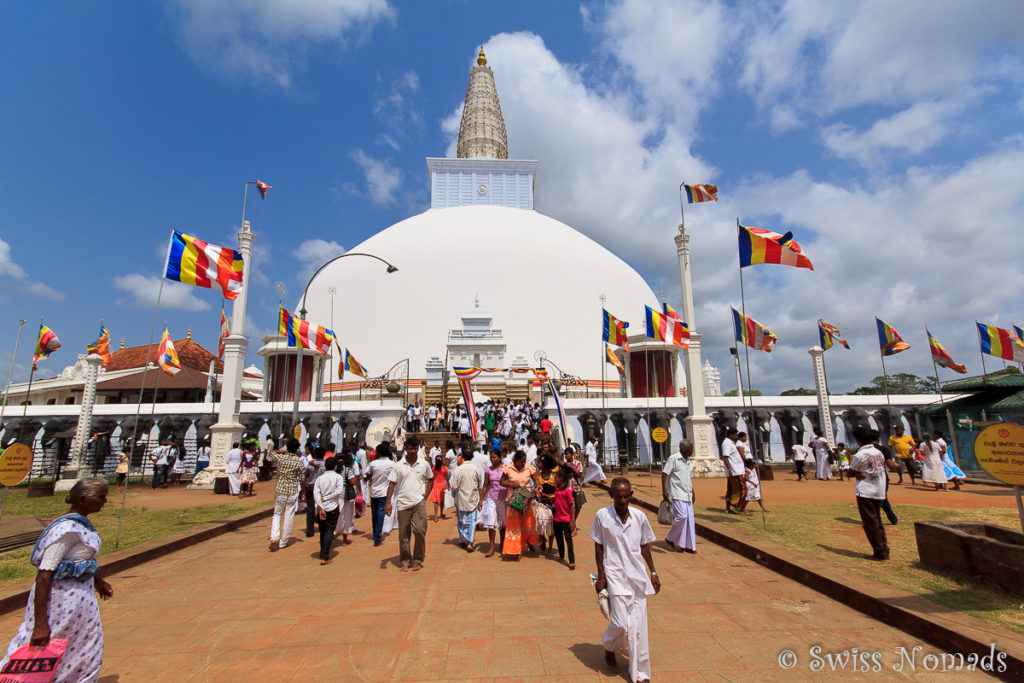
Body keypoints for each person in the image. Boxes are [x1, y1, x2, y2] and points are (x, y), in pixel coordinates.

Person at [1, 477, 113, 682]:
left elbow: (81, 558)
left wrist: (98, 581)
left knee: (79, 648)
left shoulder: (81, 525)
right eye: (101, 497)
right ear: (82, 499)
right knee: (45, 645)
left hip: (80, 607)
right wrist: (40, 625)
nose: (105, 501)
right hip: (59, 605)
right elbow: (44, 576)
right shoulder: (66, 530)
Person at [591, 477, 660, 683]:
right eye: (619, 496)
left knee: (639, 627)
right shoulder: (602, 516)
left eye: (626, 496)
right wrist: (601, 575)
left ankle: (640, 674)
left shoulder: (639, 517)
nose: (623, 500)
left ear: (631, 495)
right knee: (622, 623)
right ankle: (609, 645)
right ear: (611, 494)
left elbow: (645, 545)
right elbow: (598, 546)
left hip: (637, 576)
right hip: (615, 575)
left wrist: (654, 572)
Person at [386, 437, 434, 572]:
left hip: (419, 502)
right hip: (402, 503)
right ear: (406, 449)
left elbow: (431, 479)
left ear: (418, 449)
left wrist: (426, 495)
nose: (413, 451)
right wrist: (388, 502)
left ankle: (418, 559)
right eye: (410, 449)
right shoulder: (399, 465)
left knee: (419, 531)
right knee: (403, 534)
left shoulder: (423, 464)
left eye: (415, 449)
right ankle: (405, 560)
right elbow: (391, 483)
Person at [848, 427, 889, 561]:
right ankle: (884, 549)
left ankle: (879, 552)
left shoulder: (860, 455)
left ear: (858, 440)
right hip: (879, 489)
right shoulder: (878, 452)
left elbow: (851, 472)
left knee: (870, 523)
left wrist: (856, 471)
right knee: (877, 520)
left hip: (866, 491)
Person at [268, 438, 305, 552]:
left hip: (281, 489)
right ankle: (283, 542)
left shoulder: (281, 458)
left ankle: (274, 537)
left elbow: (271, 452)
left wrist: (281, 452)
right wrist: (303, 491)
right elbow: (302, 478)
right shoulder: (299, 461)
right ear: (297, 449)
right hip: (292, 490)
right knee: (289, 515)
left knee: (277, 514)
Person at [500, 450, 538, 560]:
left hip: (526, 500)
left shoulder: (528, 468)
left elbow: (535, 479)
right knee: (514, 526)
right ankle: (517, 550)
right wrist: (511, 484)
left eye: (524, 461)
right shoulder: (508, 469)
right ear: (515, 460)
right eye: (521, 461)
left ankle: (529, 543)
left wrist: (536, 484)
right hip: (513, 501)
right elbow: (501, 482)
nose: (523, 464)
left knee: (528, 523)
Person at [661, 441, 696, 553]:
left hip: (687, 493)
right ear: (684, 449)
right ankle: (670, 539)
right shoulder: (674, 459)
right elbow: (664, 474)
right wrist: (664, 490)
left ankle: (687, 545)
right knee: (681, 517)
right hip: (677, 492)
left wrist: (693, 492)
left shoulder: (688, 461)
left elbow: (688, 478)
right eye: (691, 448)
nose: (692, 450)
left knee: (689, 519)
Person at [450, 450, 485, 552]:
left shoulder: (458, 469)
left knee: (461, 520)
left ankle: (463, 539)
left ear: (463, 457)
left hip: (461, 498)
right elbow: (480, 484)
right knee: (471, 521)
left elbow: (453, 485)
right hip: (473, 498)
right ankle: (469, 542)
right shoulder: (476, 469)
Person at [312, 456, 343, 565]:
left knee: (323, 530)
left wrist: (320, 506)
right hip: (332, 507)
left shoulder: (320, 478)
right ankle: (324, 556)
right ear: (335, 466)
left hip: (322, 507)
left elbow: (316, 494)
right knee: (329, 530)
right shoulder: (337, 477)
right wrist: (327, 498)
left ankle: (323, 553)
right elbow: (339, 491)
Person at [366, 441, 396, 546]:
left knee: (375, 514)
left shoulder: (373, 463)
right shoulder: (392, 464)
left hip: (374, 491)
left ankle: (376, 534)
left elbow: (367, 474)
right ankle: (377, 535)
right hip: (384, 492)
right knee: (379, 514)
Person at [480, 449, 507, 557]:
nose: (492, 459)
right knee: (491, 522)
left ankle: (502, 543)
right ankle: (491, 547)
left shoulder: (506, 468)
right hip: (491, 498)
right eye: (491, 457)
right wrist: (480, 500)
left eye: (494, 457)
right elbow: (485, 485)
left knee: (502, 522)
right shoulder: (488, 470)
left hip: (503, 498)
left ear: (499, 457)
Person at [533, 456, 558, 558]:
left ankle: (550, 548)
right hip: (541, 502)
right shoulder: (538, 476)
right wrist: (537, 490)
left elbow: (559, 489)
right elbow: (536, 487)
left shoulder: (555, 476)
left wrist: (553, 497)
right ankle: (542, 539)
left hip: (552, 502)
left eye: (540, 463)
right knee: (540, 521)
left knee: (551, 525)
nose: (538, 465)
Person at [552, 469, 577, 569]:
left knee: (568, 540)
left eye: (556, 477)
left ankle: (571, 560)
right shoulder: (557, 489)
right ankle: (561, 555)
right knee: (559, 539)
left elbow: (572, 506)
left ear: (561, 479)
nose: (555, 479)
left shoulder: (567, 491)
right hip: (557, 519)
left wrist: (572, 520)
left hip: (566, 520)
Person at [334, 452, 360, 545]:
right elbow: (352, 481)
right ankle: (345, 538)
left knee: (336, 516)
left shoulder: (333, 469)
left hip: (334, 496)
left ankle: (334, 533)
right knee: (346, 516)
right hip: (345, 495)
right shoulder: (347, 470)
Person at [720, 429, 747, 515]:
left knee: (731, 489)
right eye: (735, 435)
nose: (736, 437)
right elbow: (725, 457)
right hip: (735, 471)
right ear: (730, 435)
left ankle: (728, 508)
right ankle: (737, 506)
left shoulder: (730, 442)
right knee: (743, 488)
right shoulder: (727, 443)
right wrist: (730, 469)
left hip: (737, 470)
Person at [304, 447, 327, 538]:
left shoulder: (311, 464)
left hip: (311, 485)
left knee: (310, 509)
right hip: (322, 487)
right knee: (322, 506)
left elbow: (305, 474)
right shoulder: (325, 464)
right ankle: (323, 527)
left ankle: (310, 530)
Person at [427, 456, 448, 522]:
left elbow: (432, 477)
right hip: (442, 486)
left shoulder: (433, 468)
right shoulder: (445, 469)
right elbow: (447, 478)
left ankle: (436, 517)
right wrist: (449, 486)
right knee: (442, 501)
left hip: (435, 486)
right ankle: (441, 513)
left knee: (436, 502)